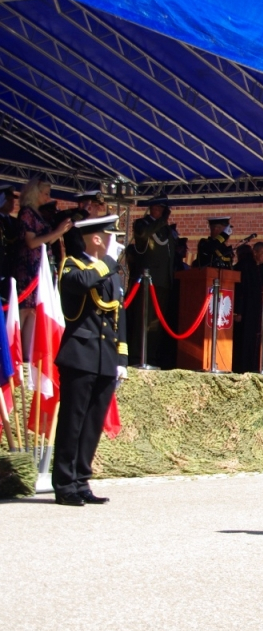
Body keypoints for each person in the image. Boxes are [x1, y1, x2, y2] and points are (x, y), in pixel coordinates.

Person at [51, 215, 128, 506]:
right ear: (96, 239)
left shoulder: (112, 273)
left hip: (105, 356)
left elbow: (120, 316)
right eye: (110, 236)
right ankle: (65, 484)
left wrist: (121, 356)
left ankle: (81, 480)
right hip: (79, 355)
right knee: (73, 421)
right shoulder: (72, 265)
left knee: (93, 423)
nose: (115, 241)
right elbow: (82, 283)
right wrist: (108, 261)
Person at [16, 179, 73, 354]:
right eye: (45, 193)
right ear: (35, 193)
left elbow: (46, 241)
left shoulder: (37, 213)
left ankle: (28, 350)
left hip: (41, 265)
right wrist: (56, 232)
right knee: (25, 309)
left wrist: (60, 232)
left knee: (34, 309)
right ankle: (19, 349)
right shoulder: (26, 213)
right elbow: (32, 242)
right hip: (28, 266)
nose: (48, 197)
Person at [126, 194, 176, 368]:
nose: (161, 212)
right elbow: (143, 234)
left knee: (157, 324)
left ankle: (152, 357)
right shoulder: (142, 224)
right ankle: (137, 356)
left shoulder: (166, 230)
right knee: (143, 321)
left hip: (163, 282)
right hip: (147, 282)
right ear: (152, 208)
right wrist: (161, 221)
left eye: (163, 209)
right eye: (158, 208)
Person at [232, 242, 263, 373]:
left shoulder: (260, 269)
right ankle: (242, 367)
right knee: (243, 339)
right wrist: (238, 311)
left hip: (256, 309)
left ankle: (253, 366)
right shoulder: (245, 267)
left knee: (254, 339)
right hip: (245, 309)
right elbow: (241, 290)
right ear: (255, 253)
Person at [0, 183, 24, 288]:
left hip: (13, 267)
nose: (12, 203)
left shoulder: (15, 221)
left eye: (12, 201)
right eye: (9, 200)